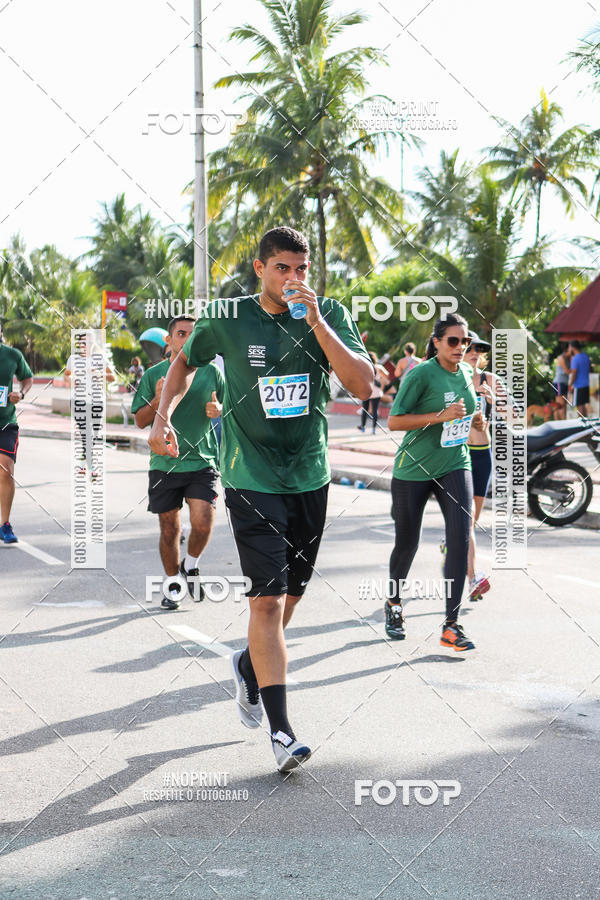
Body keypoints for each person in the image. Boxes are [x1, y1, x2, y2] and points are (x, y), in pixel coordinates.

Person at [148, 226, 373, 771]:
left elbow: (365, 386)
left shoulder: (330, 314)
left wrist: (317, 321)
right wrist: (162, 415)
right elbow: (184, 364)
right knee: (266, 601)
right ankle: (281, 732)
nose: (293, 279)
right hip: (250, 476)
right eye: (282, 269)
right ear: (260, 269)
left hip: (310, 476)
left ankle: (249, 666)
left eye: (301, 269)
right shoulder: (227, 318)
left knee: (290, 599)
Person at [385, 313, 484, 651]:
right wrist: (438, 417)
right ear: (438, 342)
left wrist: (477, 422)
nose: (461, 347)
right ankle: (394, 603)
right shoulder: (421, 374)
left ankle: (451, 625)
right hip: (413, 469)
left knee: (458, 539)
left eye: (465, 341)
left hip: (456, 463)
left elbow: (468, 411)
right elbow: (395, 421)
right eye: (453, 341)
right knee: (407, 544)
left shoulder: (469, 373)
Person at [133, 316, 224, 610]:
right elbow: (139, 421)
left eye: (193, 334)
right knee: (169, 529)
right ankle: (173, 584)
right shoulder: (154, 375)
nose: (187, 339)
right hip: (164, 464)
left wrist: (219, 410)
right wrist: (157, 398)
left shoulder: (212, 374)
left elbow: (230, 409)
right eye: (181, 334)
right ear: (169, 341)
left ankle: (192, 564)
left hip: (202, 461)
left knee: (203, 521)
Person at [462, 331, 498, 602]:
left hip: (483, 453)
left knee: (473, 520)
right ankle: (473, 578)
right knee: (466, 522)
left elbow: (514, 413)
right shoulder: (452, 378)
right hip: (459, 455)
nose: (475, 353)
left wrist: (494, 401)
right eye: (470, 348)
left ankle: (454, 547)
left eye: (479, 349)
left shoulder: (489, 380)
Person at [0, 323, 33, 544]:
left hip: (6, 423)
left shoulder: (12, 355)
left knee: (5, 470)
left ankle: (5, 524)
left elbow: (27, 378)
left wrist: (20, 393)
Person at [357, 352, 388, 434]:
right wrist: (379, 377)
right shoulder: (378, 367)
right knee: (375, 410)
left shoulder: (365, 366)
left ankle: (363, 427)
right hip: (377, 391)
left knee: (365, 410)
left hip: (367, 390)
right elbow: (387, 375)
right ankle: (373, 429)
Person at [568, 341, 591, 417]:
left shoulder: (575, 359)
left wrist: (570, 384)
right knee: (583, 405)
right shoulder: (586, 356)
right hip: (586, 384)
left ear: (573, 347)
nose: (569, 349)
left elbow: (574, 374)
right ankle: (586, 423)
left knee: (579, 405)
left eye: (569, 347)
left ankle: (582, 424)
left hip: (579, 385)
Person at [551, 345, 571, 420]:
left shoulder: (568, 359)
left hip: (564, 383)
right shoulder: (561, 358)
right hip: (559, 382)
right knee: (561, 405)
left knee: (559, 405)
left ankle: (558, 422)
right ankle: (562, 423)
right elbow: (567, 371)